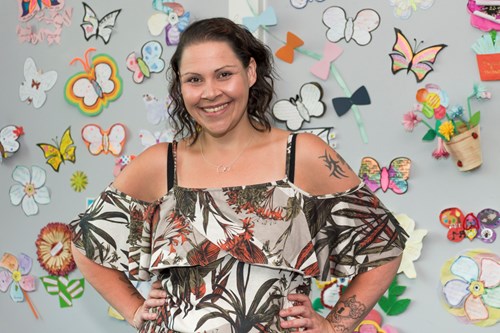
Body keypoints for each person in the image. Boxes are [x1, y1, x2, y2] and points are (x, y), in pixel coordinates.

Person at [70, 17, 407, 333]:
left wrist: (335, 326)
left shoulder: (303, 155)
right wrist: (134, 309)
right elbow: (86, 245)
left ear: (250, 72)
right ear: (181, 87)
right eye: (194, 79)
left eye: (223, 74)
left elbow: (385, 247)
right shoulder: (160, 164)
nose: (210, 92)